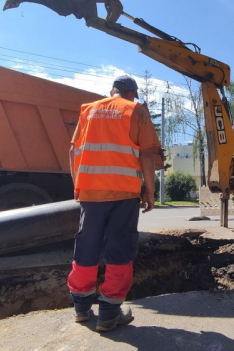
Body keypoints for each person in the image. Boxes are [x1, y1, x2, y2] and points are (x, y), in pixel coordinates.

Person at [67, 75, 162, 332]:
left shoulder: (89, 110)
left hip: (90, 193)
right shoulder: (136, 111)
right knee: (119, 249)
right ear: (133, 94)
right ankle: (109, 314)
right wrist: (150, 191)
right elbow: (147, 154)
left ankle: (81, 308)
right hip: (123, 193)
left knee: (86, 246)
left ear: (112, 91)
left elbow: (73, 150)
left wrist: (79, 186)